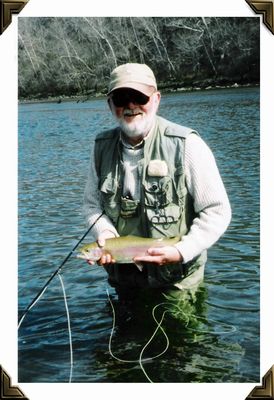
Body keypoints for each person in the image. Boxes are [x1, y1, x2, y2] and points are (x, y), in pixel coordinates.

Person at [83, 63, 231, 293]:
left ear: (156, 99)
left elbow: (218, 211)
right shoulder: (100, 148)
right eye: (122, 98)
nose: (131, 105)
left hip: (177, 281)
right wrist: (105, 234)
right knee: (127, 329)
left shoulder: (187, 145)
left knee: (183, 329)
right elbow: (92, 206)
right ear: (110, 105)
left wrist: (182, 250)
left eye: (139, 97)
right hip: (124, 281)